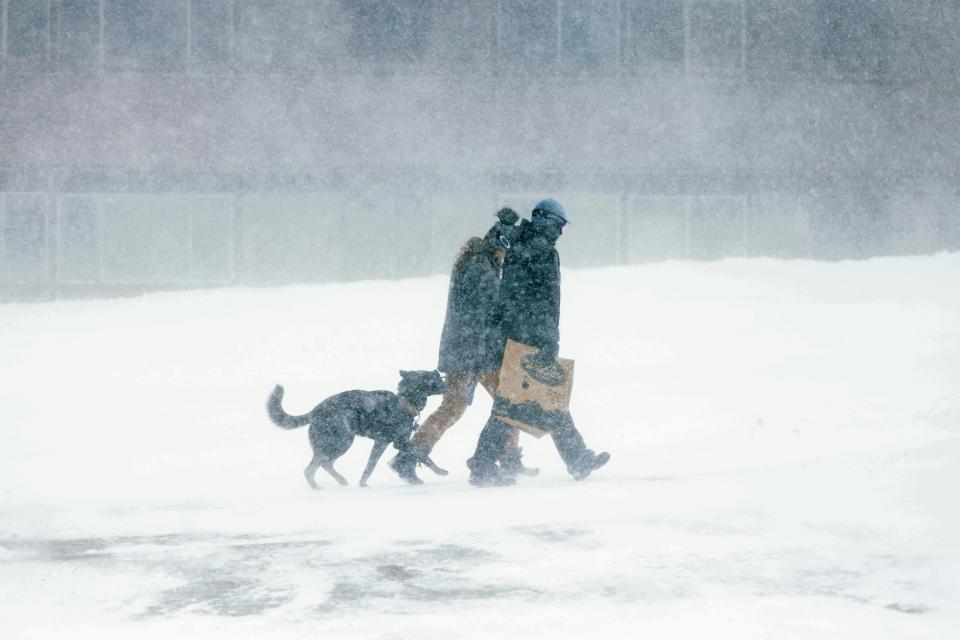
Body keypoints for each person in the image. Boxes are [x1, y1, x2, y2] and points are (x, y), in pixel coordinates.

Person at [467, 199, 610, 487]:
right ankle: (482, 464)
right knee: (515, 405)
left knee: (546, 399)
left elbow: (518, 291)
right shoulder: (539, 250)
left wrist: (506, 227)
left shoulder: (523, 243)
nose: (562, 232)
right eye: (563, 225)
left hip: (518, 334)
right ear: (551, 221)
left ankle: (577, 457)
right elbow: (537, 301)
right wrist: (546, 339)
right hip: (529, 337)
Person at [390, 208, 536, 484]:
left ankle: (410, 455)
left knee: (456, 406)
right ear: (501, 247)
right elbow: (490, 309)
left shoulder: (477, 261)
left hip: (466, 349)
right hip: (476, 351)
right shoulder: (482, 266)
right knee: (507, 402)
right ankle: (506, 458)